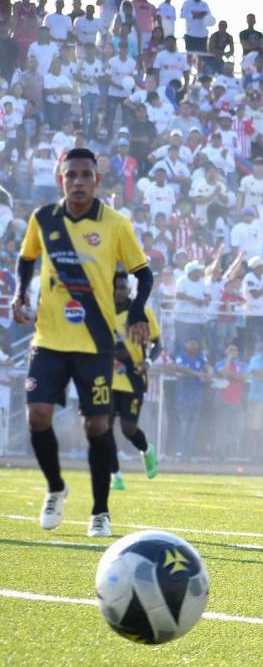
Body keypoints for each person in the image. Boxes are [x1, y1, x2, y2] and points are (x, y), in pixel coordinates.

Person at [11, 148, 154, 538]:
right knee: (37, 416)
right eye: (70, 175)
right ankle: (56, 488)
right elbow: (27, 258)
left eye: (85, 175)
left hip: (96, 342)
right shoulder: (44, 218)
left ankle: (100, 511)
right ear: (60, 179)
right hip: (50, 338)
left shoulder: (115, 224)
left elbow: (145, 274)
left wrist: (138, 311)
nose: (77, 181)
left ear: (96, 180)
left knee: (97, 426)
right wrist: (21, 292)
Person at [108, 271, 160, 490]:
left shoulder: (141, 312)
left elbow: (158, 344)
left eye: (122, 288)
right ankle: (115, 475)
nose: (119, 292)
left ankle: (146, 450)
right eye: (115, 288)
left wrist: (147, 361)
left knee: (128, 428)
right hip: (107, 379)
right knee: (103, 428)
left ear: (129, 290)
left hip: (133, 377)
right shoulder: (103, 311)